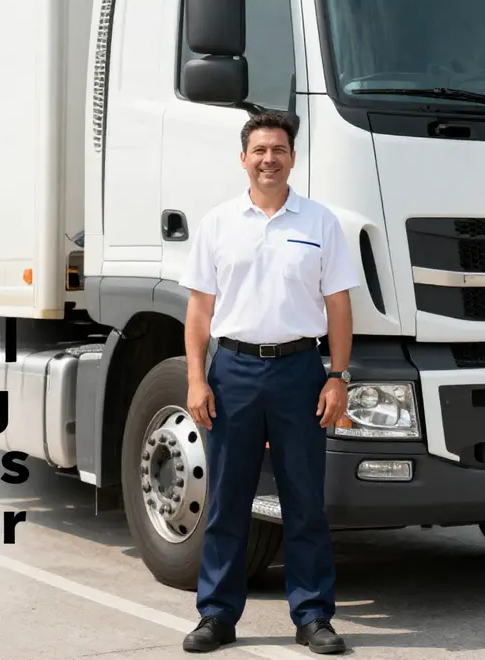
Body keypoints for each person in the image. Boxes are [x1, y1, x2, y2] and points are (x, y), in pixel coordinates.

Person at [178, 111, 359, 655]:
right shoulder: (217, 223)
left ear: (292, 158)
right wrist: (196, 379)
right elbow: (199, 312)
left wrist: (337, 376)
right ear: (243, 159)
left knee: (304, 501)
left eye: (278, 149)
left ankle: (312, 617)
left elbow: (339, 305)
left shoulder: (320, 223)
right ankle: (216, 615)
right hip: (231, 372)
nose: (269, 159)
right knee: (227, 499)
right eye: (259, 150)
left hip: (300, 372)